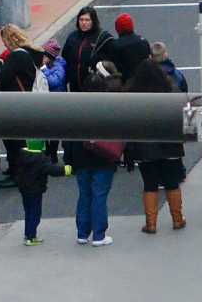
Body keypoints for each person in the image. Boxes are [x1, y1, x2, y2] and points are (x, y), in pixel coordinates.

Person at [127, 57, 190, 234]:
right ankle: (177, 219)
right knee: (172, 183)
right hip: (170, 144)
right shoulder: (171, 90)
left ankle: (151, 223)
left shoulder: (132, 94)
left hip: (145, 147)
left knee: (150, 184)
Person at [70, 60, 124, 246]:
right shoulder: (109, 106)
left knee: (84, 194)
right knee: (99, 195)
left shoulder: (76, 107)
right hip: (103, 156)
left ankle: (82, 233)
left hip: (81, 156)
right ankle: (99, 235)